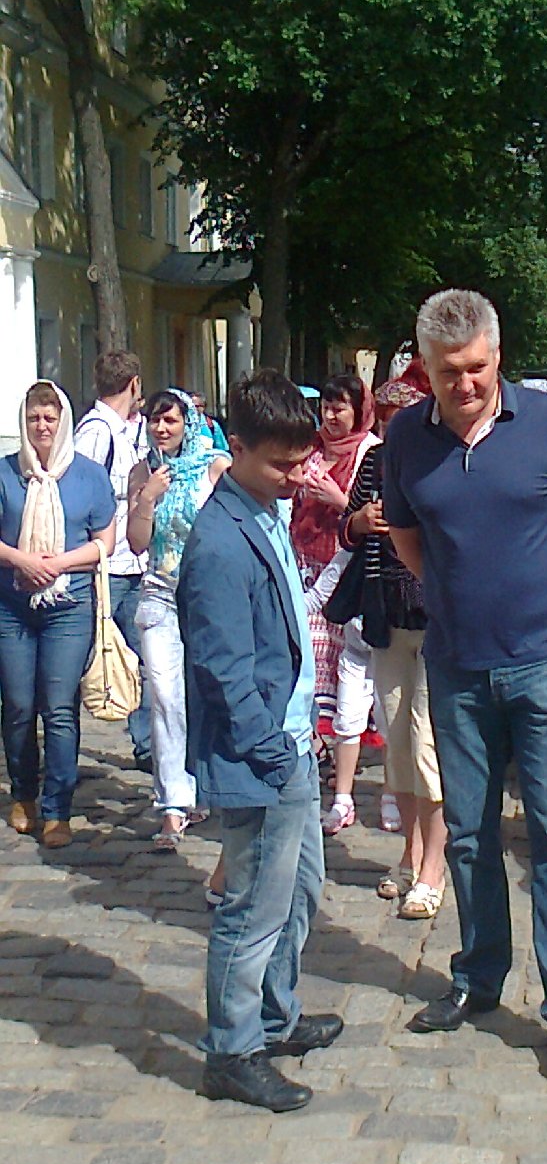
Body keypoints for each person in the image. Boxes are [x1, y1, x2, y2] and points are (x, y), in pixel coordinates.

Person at [383, 288, 547, 1070]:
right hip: (457, 663)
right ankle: (479, 975)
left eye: (476, 367)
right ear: (427, 369)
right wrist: (455, 598)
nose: (466, 383)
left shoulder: (546, 422)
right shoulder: (406, 437)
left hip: (542, 660)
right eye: (449, 371)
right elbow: (406, 535)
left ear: (497, 355)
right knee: (471, 832)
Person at [177, 369, 344, 1112]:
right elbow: (222, 668)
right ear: (236, 448)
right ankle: (233, 1051)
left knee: (299, 890)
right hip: (262, 755)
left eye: (302, 461)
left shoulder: (264, 508)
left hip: (291, 742)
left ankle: (275, 1016)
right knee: (251, 908)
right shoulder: (218, 541)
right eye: (282, 464)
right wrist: (272, 750)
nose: (296, 476)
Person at [343, 373, 447, 919]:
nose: (391, 429)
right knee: (397, 744)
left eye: (399, 419)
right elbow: (347, 526)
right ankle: (409, 852)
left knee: (427, 745)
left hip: (436, 621)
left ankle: (434, 866)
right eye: (383, 420)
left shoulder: (439, 459)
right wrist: (359, 521)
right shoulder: (375, 461)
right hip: (385, 616)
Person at [0, 381, 115, 847]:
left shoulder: (89, 475)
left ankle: (57, 809)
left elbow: (105, 542)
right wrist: (21, 560)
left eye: (50, 417)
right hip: (11, 606)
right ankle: (24, 794)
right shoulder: (6, 472)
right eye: (34, 418)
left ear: (63, 421)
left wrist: (58, 564)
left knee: (59, 707)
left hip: (69, 607)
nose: (42, 426)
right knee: (18, 705)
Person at [127, 390, 230, 847]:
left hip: (206, 597)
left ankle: (204, 784)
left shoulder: (215, 467)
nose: (161, 428)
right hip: (159, 595)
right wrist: (147, 498)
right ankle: (172, 803)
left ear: (188, 422)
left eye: (170, 420)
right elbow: (136, 542)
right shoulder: (143, 471)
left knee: (205, 695)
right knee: (165, 696)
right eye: (155, 420)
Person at [290, 373, 379, 821]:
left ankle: (350, 777)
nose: (330, 415)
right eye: (326, 406)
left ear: (358, 411)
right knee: (309, 670)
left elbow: (369, 519)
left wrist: (337, 497)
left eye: (340, 407)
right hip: (307, 565)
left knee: (352, 684)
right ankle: (321, 756)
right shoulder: (313, 450)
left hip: (346, 577)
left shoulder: (369, 453)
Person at [74, 350, 152, 771]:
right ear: (134, 384)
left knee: (147, 656)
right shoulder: (96, 432)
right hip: (105, 567)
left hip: (130, 564)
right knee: (84, 659)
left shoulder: (124, 431)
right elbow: (79, 494)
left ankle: (147, 745)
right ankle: (62, 749)